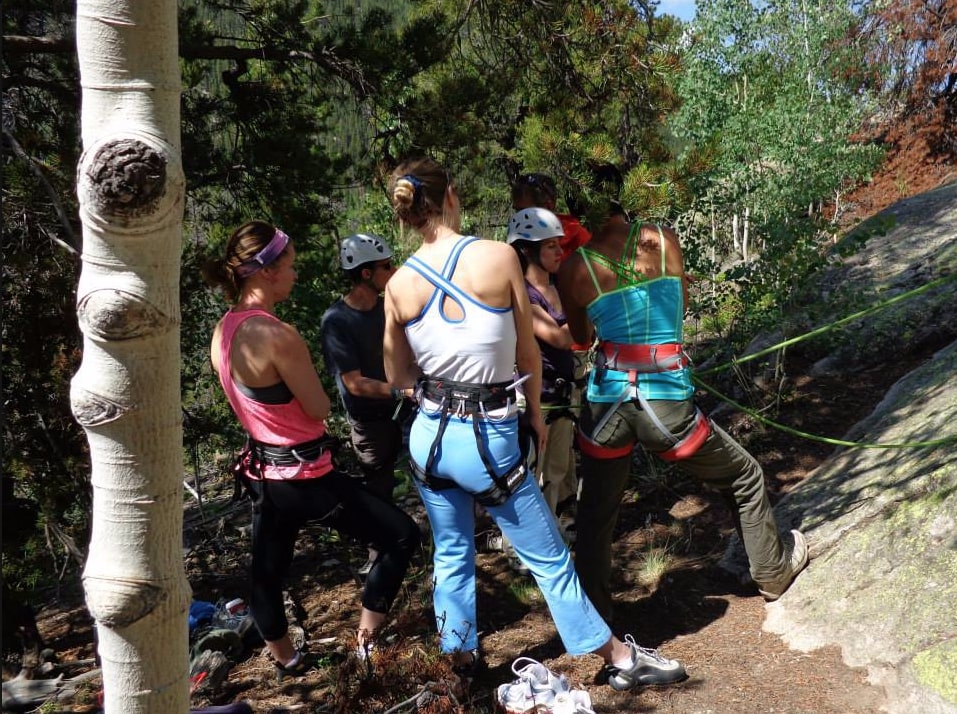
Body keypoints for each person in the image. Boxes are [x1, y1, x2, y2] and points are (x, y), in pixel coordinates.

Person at [382, 157, 687, 691]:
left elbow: (397, 373)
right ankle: (618, 658)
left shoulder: (398, 284)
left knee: (452, 551)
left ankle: (460, 663)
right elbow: (529, 350)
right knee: (547, 555)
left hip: (429, 434)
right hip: (488, 430)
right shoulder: (497, 257)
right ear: (451, 195)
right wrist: (538, 418)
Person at [556, 204, 810, 625]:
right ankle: (771, 571)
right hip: (665, 403)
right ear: (625, 203)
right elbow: (680, 305)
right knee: (743, 475)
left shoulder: (573, 267)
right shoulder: (660, 237)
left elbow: (582, 339)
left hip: (606, 406)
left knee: (595, 517)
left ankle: (593, 618)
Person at [202, 220, 421, 678]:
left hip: (264, 473)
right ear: (266, 272)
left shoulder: (224, 330)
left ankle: (288, 659)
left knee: (267, 571)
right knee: (401, 535)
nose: (296, 274)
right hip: (305, 476)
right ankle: (365, 642)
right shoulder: (276, 335)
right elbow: (319, 407)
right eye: (291, 265)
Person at [320, 234, 413, 575]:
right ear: (364, 274)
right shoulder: (337, 322)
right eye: (386, 266)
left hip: (406, 407)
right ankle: (380, 562)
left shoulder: (389, 305)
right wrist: (401, 391)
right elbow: (353, 382)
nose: (393, 269)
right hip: (372, 419)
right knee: (379, 488)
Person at [505, 207, 578, 535]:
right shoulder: (522, 296)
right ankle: (532, 544)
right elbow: (561, 338)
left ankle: (556, 531)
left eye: (558, 245)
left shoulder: (560, 287)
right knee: (536, 474)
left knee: (559, 469)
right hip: (538, 398)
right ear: (527, 250)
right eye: (550, 246)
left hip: (563, 395)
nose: (559, 252)